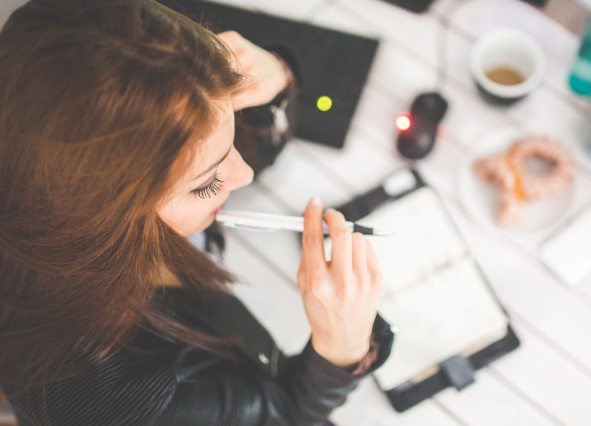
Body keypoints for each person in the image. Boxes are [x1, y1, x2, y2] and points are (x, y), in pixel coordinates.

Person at [0, 0, 394, 424]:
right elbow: (282, 416)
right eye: (205, 182)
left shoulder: (51, 159)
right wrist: (339, 352)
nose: (242, 174)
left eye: (232, 123)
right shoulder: (107, 400)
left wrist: (277, 74)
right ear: (104, 215)